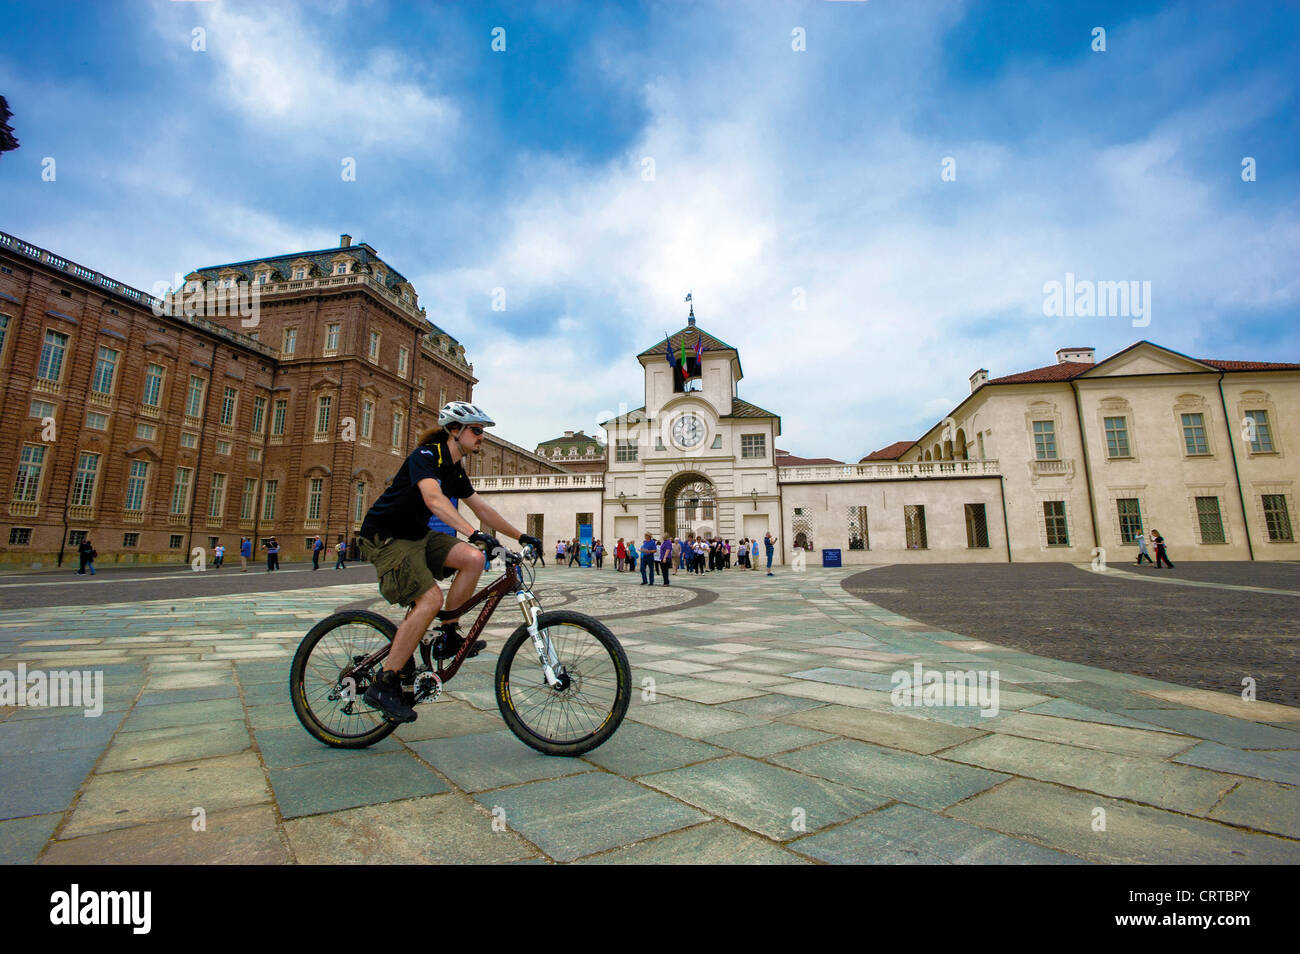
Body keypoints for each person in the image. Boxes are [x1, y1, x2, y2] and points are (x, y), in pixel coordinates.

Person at [357, 401, 543, 724]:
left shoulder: (455, 469)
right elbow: (433, 499)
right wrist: (472, 532)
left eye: (482, 432)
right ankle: (384, 683)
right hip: (386, 537)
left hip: (417, 535)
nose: (482, 437)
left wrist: (521, 536)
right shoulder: (426, 457)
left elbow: (481, 508)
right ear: (454, 431)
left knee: (474, 559)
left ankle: (448, 636)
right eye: (477, 430)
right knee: (430, 599)